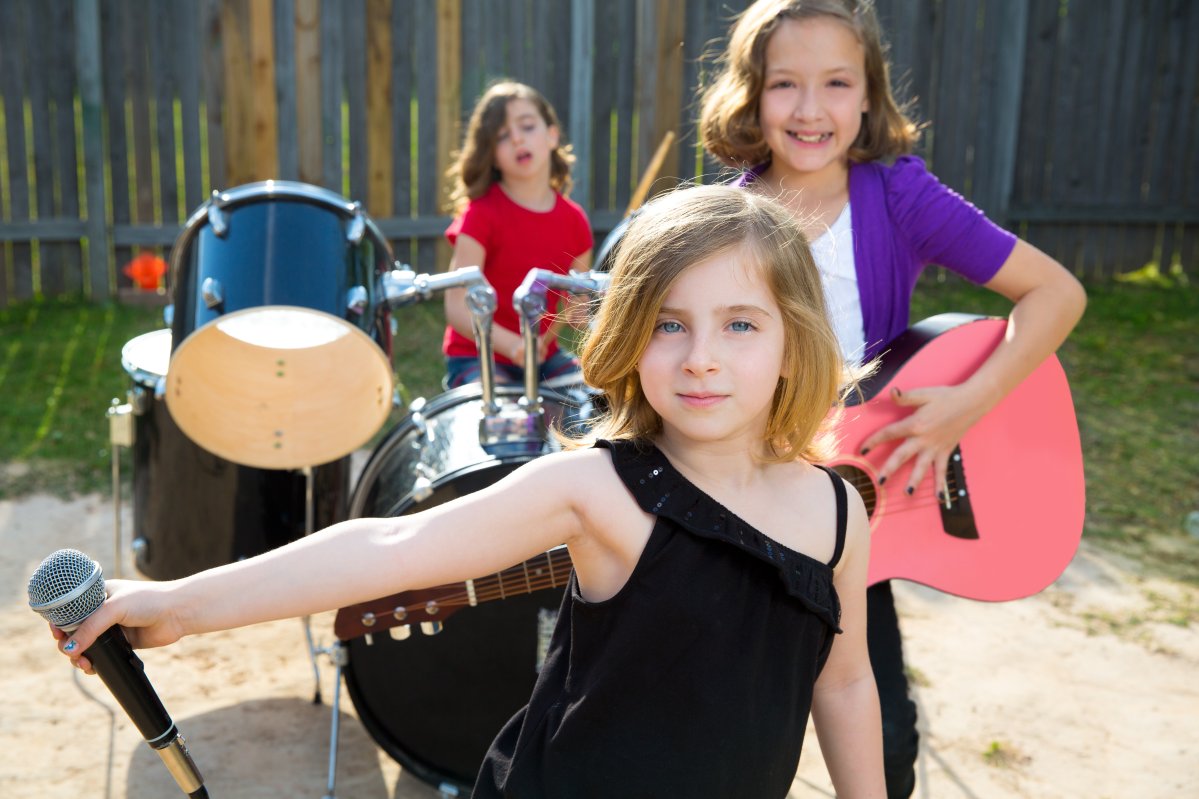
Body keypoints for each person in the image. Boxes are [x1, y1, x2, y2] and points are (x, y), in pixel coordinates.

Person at [53, 184, 886, 799]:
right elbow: (390, 545)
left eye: (739, 323)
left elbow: (843, 682)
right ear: (631, 337)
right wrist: (180, 603)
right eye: (669, 322)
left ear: (793, 342)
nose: (701, 355)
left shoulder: (836, 513)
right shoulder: (598, 489)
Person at [699, 2, 1088, 796]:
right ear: (750, 94)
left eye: (836, 83)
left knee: (882, 741)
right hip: (748, 507)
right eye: (784, 84)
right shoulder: (722, 223)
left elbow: (1055, 293)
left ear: (869, 94)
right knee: (732, 731)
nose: (810, 109)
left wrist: (965, 404)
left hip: (853, 517)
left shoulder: (898, 195)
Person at [441, 80, 593, 389]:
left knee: (593, 400)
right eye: (502, 136)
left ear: (552, 136)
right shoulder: (480, 215)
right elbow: (457, 307)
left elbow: (577, 309)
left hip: (543, 356)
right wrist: (512, 346)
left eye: (527, 126)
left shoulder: (575, 221)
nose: (517, 139)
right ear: (492, 155)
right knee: (503, 414)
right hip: (479, 353)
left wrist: (582, 310)